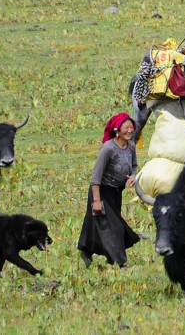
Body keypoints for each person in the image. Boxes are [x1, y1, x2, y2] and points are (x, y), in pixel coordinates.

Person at [77, 112, 140, 268]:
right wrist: (97, 201)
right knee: (115, 227)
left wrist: (133, 176)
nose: (130, 131)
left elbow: (134, 166)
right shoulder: (107, 149)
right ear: (117, 130)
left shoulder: (131, 146)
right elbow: (95, 178)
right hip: (101, 191)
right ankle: (120, 262)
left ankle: (86, 249)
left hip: (116, 192)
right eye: (126, 128)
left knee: (95, 224)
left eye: (131, 128)